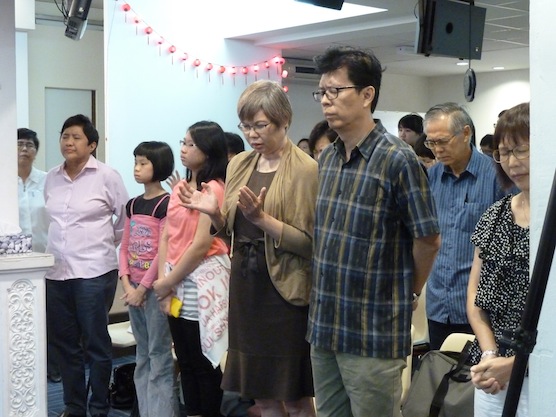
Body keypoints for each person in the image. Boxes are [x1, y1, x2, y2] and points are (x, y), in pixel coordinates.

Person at [307, 46, 441, 417]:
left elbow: (428, 239)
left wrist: (409, 291)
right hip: (325, 325)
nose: (326, 101)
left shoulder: (398, 159)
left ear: (367, 95)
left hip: (372, 330)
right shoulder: (329, 159)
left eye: (336, 91)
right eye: (322, 92)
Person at [179, 80, 318, 417]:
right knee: (262, 395)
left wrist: (262, 219)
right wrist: (212, 210)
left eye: (261, 125)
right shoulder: (240, 162)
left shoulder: (305, 169)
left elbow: (310, 244)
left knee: (295, 397)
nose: (253, 134)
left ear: (284, 120)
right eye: (246, 126)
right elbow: (229, 230)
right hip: (245, 285)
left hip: (285, 291)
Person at [44, 114, 129, 417]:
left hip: (94, 272)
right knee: (65, 344)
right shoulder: (51, 177)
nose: (68, 142)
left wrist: (103, 245)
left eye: (76, 137)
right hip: (56, 272)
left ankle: (99, 406)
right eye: (64, 136)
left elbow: (123, 221)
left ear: (92, 144)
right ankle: (74, 406)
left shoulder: (107, 176)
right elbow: (49, 219)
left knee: (95, 343)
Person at [152, 121, 231, 417]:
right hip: (175, 282)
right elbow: (167, 236)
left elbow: (200, 246)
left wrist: (167, 281)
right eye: (182, 142)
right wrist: (163, 282)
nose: (182, 149)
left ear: (208, 151)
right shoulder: (181, 189)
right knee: (184, 361)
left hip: (202, 283)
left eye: (190, 144)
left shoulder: (214, 190)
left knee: (203, 365)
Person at [423, 103, 506, 350]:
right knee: (440, 381)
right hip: (438, 304)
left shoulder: (496, 175)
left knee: (477, 385)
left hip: (480, 309)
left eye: (443, 141)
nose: (437, 150)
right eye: (431, 143)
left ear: (466, 134)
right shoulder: (432, 176)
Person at [467, 102, 530, 417]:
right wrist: (490, 354)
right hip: (492, 371)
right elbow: (476, 300)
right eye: (504, 152)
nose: (511, 162)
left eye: (521, 150)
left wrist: (518, 364)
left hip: (543, 371)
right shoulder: (495, 214)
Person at [118, 141, 178, 417]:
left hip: (155, 291)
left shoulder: (167, 203)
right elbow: (125, 246)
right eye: (136, 162)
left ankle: (162, 411)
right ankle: (145, 410)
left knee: (159, 355)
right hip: (134, 293)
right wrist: (127, 285)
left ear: (160, 166)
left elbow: (161, 252)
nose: (137, 168)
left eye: (143, 163)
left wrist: (142, 289)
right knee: (141, 356)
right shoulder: (132, 204)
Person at [17, 127, 61, 383]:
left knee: (49, 318)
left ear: (36, 151)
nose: (24, 149)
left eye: (30, 145)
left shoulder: (47, 180)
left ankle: (52, 368)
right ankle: (22, 368)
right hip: (12, 264)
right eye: (20, 144)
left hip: (45, 259)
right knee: (19, 319)